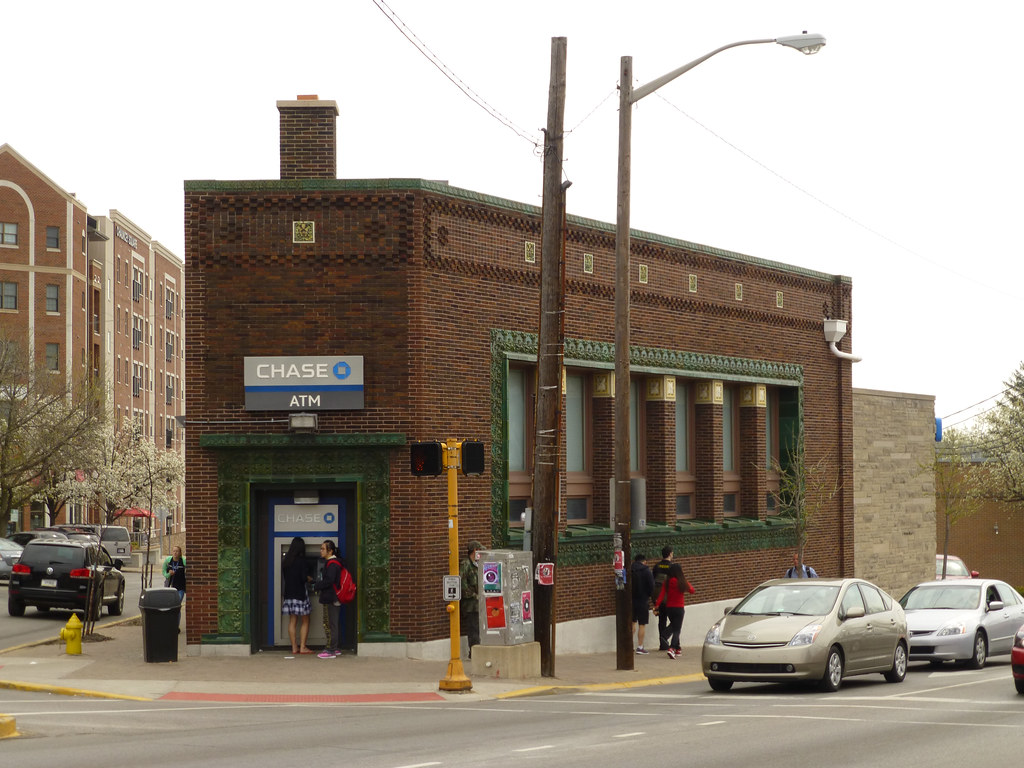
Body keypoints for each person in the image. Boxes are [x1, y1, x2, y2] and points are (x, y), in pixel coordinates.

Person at [653, 562, 694, 659]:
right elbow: (692, 590)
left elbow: (662, 595)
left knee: (675, 625)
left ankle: (677, 648)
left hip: (669, 608)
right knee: (677, 629)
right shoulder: (682, 582)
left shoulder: (666, 582)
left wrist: (657, 605)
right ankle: (671, 647)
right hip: (679, 608)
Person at [282, 536, 314, 655]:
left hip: (289, 594)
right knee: (306, 620)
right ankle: (303, 647)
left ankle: (294, 647)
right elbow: (302, 578)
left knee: (292, 621)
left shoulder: (286, 561)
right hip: (300, 594)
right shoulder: (302, 561)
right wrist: (309, 579)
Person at [314, 540, 343, 659]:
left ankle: (330, 650)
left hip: (331, 598)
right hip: (333, 597)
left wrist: (317, 585)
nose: (320, 551)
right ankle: (334, 648)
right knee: (332, 623)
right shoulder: (335, 563)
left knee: (329, 624)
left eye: (323, 549)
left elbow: (329, 581)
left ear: (330, 551)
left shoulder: (332, 564)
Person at [459, 540, 482, 658]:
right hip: (471, 605)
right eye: (479, 550)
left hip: (479, 604)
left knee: (478, 629)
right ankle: (474, 652)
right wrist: (474, 595)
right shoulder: (466, 564)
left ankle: (477, 651)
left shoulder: (478, 565)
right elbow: (462, 585)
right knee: (473, 629)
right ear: (475, 550)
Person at [630, 553, 655, 654]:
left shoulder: (630, 569)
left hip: (631, 600)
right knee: (642, 624)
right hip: (643, 600)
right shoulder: (646, 571)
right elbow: (652, 587)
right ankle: (640, 647)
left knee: (632, 622)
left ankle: (629, 645)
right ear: (644, 561)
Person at [652, 546, 673, 651]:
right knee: (675, 621)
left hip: (658, 598)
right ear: (670, 554)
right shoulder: (672, 567)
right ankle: (666, 638)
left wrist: (654, 600)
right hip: (669, 598)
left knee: (662, 620)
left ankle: (663, 644)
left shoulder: (656, 566)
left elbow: (653, 583)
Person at [162, 545, 186, 631]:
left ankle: (176, 626)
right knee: (171, 607)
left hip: (180, 587)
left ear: (180, 553)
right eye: (174, 551)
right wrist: (169, 574)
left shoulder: (183, 561)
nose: (175, 553)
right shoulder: (168, 561)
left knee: (176, 606)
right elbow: (164, 572)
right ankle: (170, 624)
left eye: (177, 551)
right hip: (170, 588)